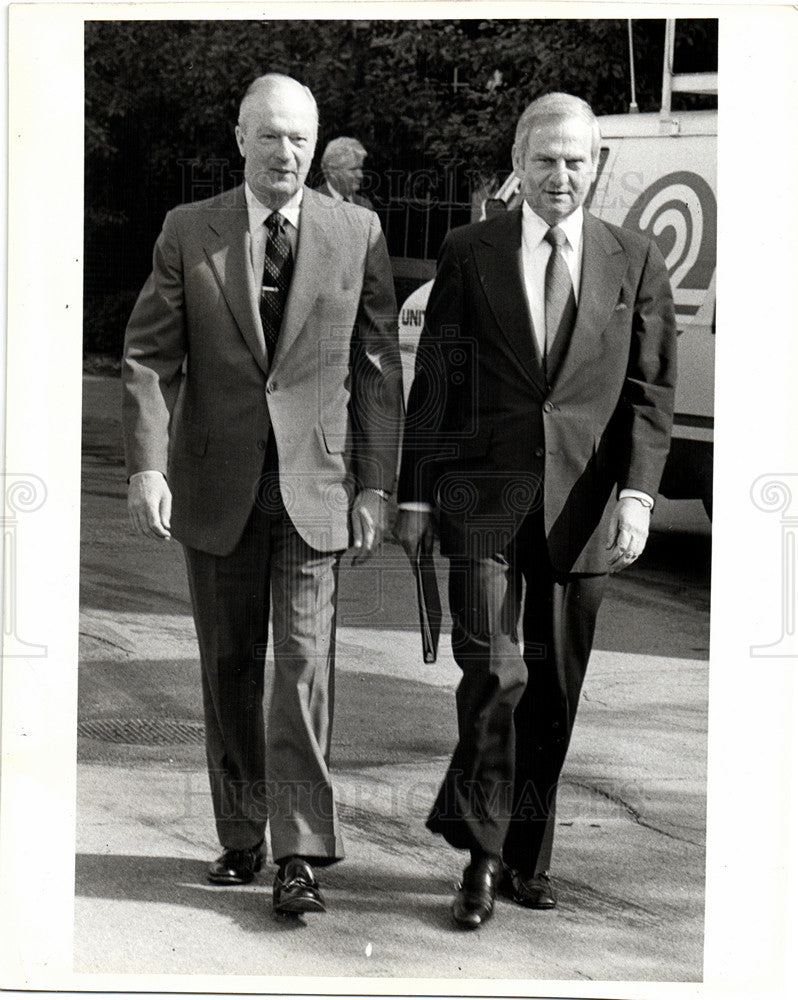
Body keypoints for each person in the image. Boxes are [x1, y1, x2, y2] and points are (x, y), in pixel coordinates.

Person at [122, 73, 402, 917]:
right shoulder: (189, 230)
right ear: (239, 139)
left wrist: (376, 485)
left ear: (317, 146)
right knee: (230, 668)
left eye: (301, 139)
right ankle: (242, 837)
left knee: (304, 670)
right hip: (217, 486)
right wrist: (146, 465)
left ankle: (302, 853)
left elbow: (378, 364)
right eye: (271, 136)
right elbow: (146, 356)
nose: (287, 153)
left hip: (316, 489)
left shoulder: (357, 231)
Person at [396, 92, 676, 929]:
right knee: (496, 672)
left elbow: (651, 390)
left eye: (576, 160)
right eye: (545, 159)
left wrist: (637, 495)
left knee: (553, 693)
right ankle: (479, 861)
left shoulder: (635, 256)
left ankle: (527, 857)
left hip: (583, 512)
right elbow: (437, 380)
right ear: (517, 163)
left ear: (600, 166)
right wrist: (414, 492)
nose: (560, 175)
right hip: (480, 502)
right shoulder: (468, 251)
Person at [316, 136, 373, 207]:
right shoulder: (312, 203)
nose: (360, 175)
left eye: (360, 168)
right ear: (332, 171)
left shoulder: (365, 205)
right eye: (353, 169)